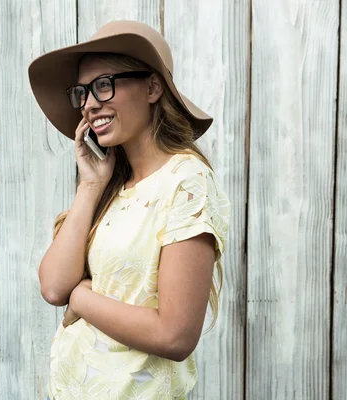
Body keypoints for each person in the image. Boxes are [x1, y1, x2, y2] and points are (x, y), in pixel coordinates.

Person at [28, 20, 231, 400]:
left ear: (153, 87)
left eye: (104, 84)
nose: (89, 104)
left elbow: (175, 335)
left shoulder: (186, 182)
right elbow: (55, 286)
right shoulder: (110, 188)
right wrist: (90, 186)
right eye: (82, 92)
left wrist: (83, 298)